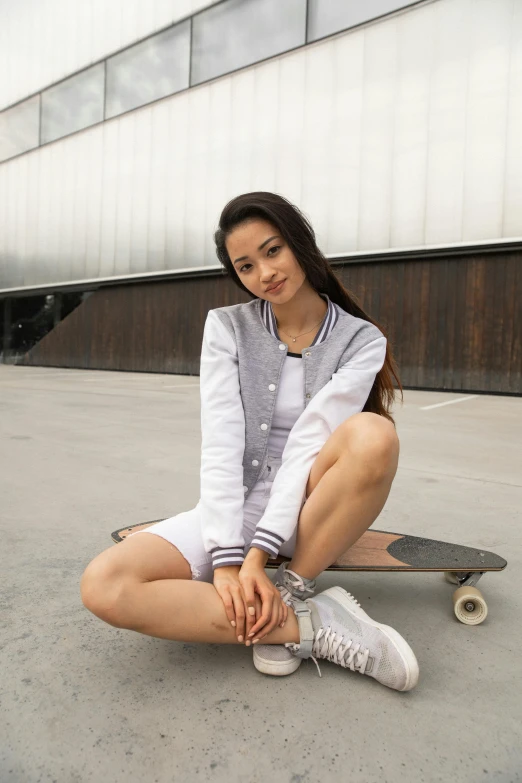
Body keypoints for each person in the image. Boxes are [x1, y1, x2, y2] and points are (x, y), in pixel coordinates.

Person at [81, 191, 419, 692]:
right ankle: (306, 624)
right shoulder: (227, 328)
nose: (264, 273)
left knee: (374, 434)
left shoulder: (361, 339)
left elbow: (310, 441)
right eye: (245, 265)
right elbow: (221, 440)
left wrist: (257, 558)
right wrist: (226, 561)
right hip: (233, 505)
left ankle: (293, 585)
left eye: (272, 250)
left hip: (311, 504)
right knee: (104, 586)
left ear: (300, 244)